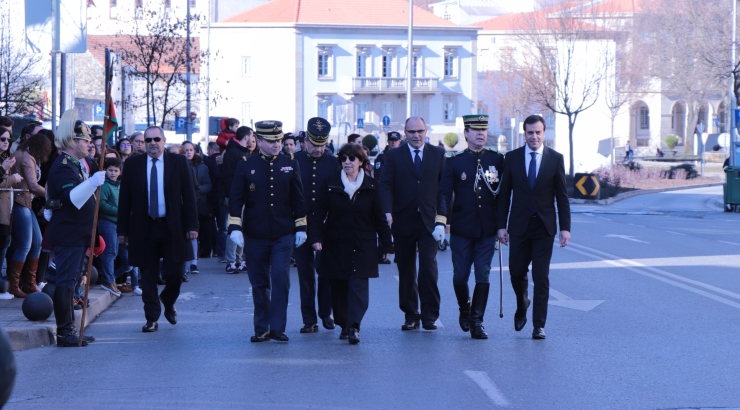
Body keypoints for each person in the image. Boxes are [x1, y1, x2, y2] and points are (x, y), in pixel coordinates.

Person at [228, 120, 307, 343]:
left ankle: (277, 327)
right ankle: (261, 327)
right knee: (259, 282)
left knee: (281, 277)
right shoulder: (246, 164)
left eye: (279, 140)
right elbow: (236, 198)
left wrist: (301, 227)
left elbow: (298, 199)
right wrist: (234, 226)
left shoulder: (290, 163)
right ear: (259, 141)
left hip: (283, 233)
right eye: (271, 141)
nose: (277, 145)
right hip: (255, 233)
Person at [496, 114, 571, 340]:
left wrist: (565, 228)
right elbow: (503, 196)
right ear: (524, 134)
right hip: (518, 227)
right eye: (530, 133)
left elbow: (562, 196)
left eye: (538, 132)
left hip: (543, 228)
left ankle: (538, 325)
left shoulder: (555, 158)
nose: (534, 136)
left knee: (541, 277)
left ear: (544, 133)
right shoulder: (512, 158)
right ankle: (522, 303)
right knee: (516, 273)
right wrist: (501, 226)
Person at [117, 126, 199, 333]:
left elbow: (189, 196)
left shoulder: (178, 162)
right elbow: (124, 200)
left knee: (175, 273)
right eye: (148, 140)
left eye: (156, 139)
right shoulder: (133, 164)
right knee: (148, 275)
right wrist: (122, 231)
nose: (152, 143)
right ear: (144, 143)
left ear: (164, 140)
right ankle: (151, 317)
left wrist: (192, 226)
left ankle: (168, 301)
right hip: (144, 227)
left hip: (173, 228)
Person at [309, 143, 393, 344]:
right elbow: (318, 214)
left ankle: (354, 325)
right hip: (336, 243)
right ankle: (344, 324)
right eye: (344, 159)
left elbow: (379, 217)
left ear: (361, 162)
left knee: (359, 286)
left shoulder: (371, 185)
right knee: (338, 286)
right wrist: (316, 238)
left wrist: (387, 245)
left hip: (363, 244)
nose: (347, 162)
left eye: (352, 158)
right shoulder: (330, 183)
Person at [437, 115, 504, 339]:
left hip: (487, 229)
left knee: (483, 276)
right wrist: (441, 221)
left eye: (484, 130)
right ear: (466, 133)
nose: (480, 134)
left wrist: (502, 225)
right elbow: (444, 194)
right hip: (461, 228)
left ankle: (477, 321)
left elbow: (503, 196)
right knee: (460, 276)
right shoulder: (455, 161)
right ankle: (464, 307)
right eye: (475, 130)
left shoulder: (497, 160)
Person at [379, 116, 446, 331]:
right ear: (405, 133)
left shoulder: (438, 154)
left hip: (429, 221)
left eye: (420, 131)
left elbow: (444, 190)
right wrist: (387, 211)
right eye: (411, 132)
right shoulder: (394, 156)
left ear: (426, 131)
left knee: (428, 267)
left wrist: (443, 220)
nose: (416, 135)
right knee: (406, 269)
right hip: (403, 220)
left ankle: (429, 315)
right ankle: (411, 314)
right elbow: (386, 184)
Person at [44, 110, 102, 346]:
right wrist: (91, 182)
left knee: (71, 281)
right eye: (85, 140)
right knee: (65, 282)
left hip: (78, 233)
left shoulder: (77, 164)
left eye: (89, 141)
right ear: (72, 142)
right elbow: (71, 198)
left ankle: (71, 329)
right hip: (69, 233)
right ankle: (64, 332)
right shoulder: (64, 166)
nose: (89, 145)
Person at [294, 117, 339, 333]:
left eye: (322, 144)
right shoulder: (294, 161)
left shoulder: (334, 163)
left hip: (326, 226)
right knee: (305, 273)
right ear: (305, 141)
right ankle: (309, 319)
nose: (318, 149)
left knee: (326, 272)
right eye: (314, 144)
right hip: (300, 225)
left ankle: (326, 312)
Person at [7, 133, 51, 297]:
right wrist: (50, 196)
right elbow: (33, 185)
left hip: (25, 202)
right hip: (21, 202)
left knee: (37, 241)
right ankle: (15, 284)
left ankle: (30, 283)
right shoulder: (27, 158)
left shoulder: (24, 153)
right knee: (25, 244)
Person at [221, 126, 252, 273]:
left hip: (246, 196)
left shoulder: (244, 152)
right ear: (246, 137)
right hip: (235, 197)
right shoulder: (233, 153)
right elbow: (227, 176)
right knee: (234, 227)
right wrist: (230, 196)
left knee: (243, 228)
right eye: (252, 135)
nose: (253, 139)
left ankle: (239, 260)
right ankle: (231, 261)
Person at [182, 141, 212, 275]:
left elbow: (208, 184)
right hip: (180, 204)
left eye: (190, 150)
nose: (188, 152)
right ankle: (183, 264)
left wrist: (196, 190)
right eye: (185, 150)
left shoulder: (202, 167)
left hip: (197, 203)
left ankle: (193, 263)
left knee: (194, 234)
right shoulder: (177, 165)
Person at [373, 131, 402, 265]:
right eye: (391, 140)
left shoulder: (404, 156)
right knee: (385, 224)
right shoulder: (382, 157)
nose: (393, 142)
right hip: (386, 196)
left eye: (395, 140)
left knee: (400, 226)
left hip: (401, 196)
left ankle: (397, 251)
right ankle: (382, 252)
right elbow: (379, 179)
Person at [98, 158, 125, 296]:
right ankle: (108, 280)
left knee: (116, 253)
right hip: (107, 222)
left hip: (117, 223)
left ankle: (110, 278)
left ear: (120, 172)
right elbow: (101, 204)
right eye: (110, 170)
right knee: (110, 252)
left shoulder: (119, 185)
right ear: (105, 171)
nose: (113, 173)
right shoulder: (104, 185)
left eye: (116, 170)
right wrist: (120, 211)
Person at [0, 127, 22, 300]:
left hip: (7, 209)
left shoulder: (5, 158)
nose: (6, 142)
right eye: (2, 139)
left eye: (7, 139)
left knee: (5, 244)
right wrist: (11, 177)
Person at [201, 141, 221, 259]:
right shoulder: (223, 161)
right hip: (220, 196)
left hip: (208, 197)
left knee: (209, 225)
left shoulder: (207, 162)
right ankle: (218, 250)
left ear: (211, 150)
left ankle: (207, 249)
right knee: (222, 226)